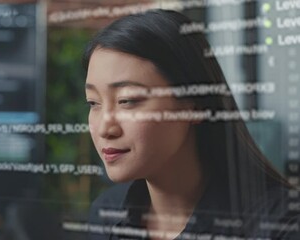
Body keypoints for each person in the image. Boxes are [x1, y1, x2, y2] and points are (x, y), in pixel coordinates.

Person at [83, 9, 299, 240]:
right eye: (94, 103)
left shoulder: (280, 226)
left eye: (127, 101)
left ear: (194, 104)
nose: (105, 128)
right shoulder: (107, 213)